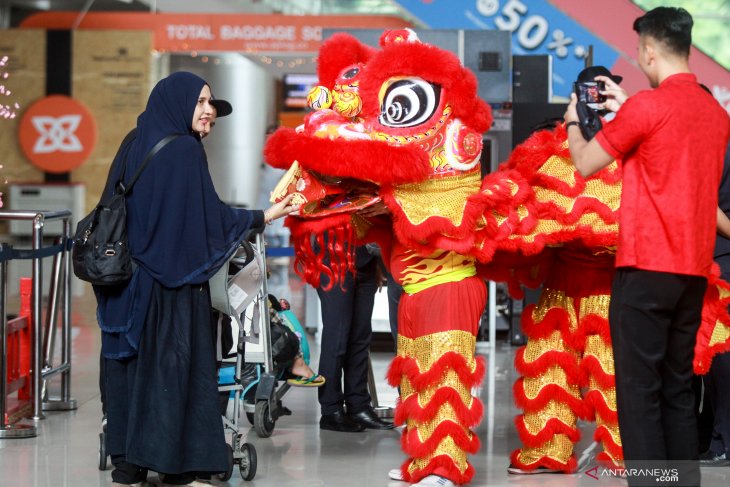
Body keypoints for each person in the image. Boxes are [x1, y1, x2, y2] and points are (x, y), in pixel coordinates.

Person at [97, 71, 299, 487]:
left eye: (212, 104)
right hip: (168, 288)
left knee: (128, 373)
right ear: (179, 103)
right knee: (174, 373)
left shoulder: (134, 141)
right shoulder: (185, 150)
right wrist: (265, 216)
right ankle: (176, 463)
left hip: (125, 286)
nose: (209, 112)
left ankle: (128, 462)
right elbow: (210, 219)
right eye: (202, 102)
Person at [564, 7, 730, 486]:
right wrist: (631, 102)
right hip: (693, 271)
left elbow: (585, 163)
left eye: (639, 51)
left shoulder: (648, 108)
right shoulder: (715, 114)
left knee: (638, 393)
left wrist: (576, 119)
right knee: (678, 390)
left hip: (645, 270)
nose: (638, 58)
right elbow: (670, 145)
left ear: (650, 50)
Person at [316, 244, 396, 432]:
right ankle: (330, 409)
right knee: (337, 338)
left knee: (360, 339)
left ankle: (358, 405)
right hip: (334, 259)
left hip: (365, 262)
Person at [700, 144, 730, 467]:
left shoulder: (714, 149)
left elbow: (707, 205)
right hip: (716, 258)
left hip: (719, 259)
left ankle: (721, 441)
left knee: (719, 357)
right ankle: (712, 437)